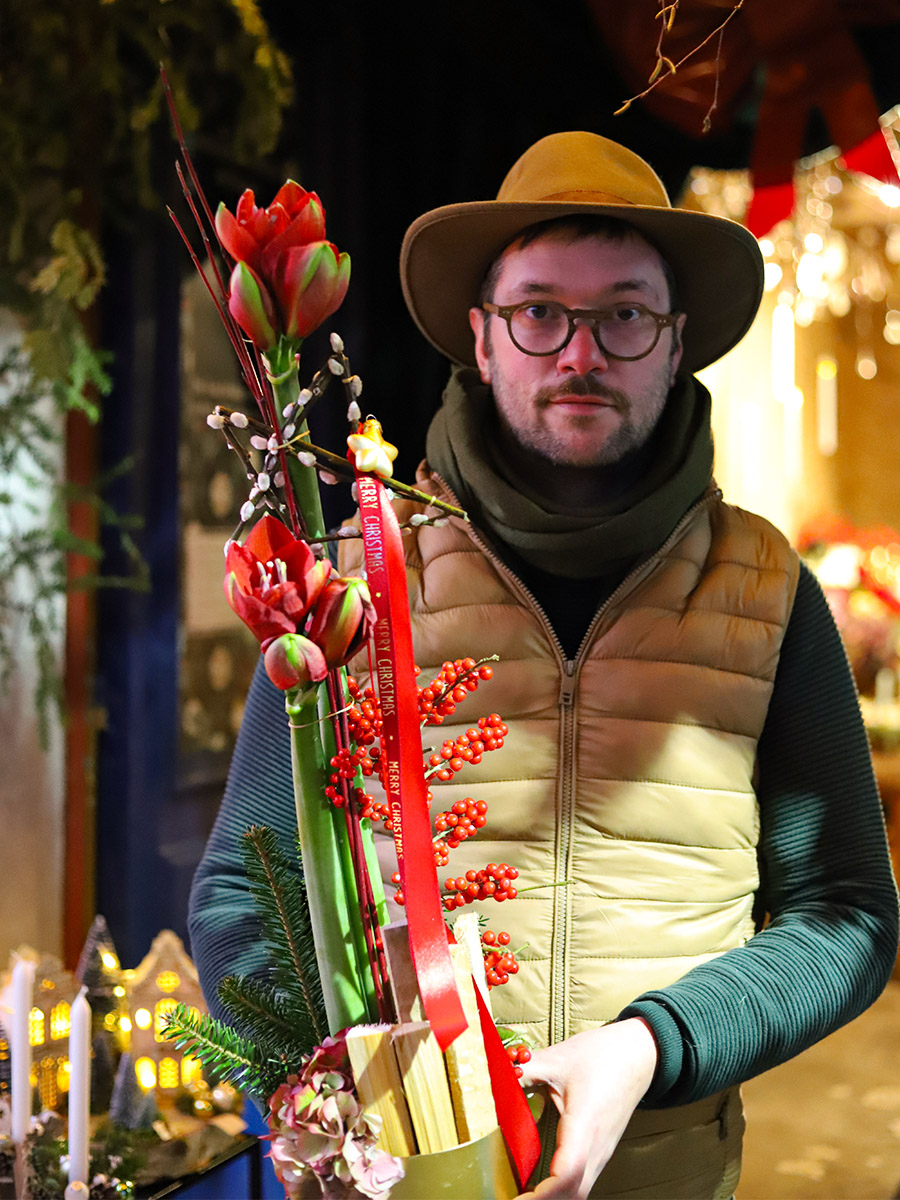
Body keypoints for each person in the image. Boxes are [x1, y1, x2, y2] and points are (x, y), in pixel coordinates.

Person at [189, 131, 899, 1199]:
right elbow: (251, 886)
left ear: (675, 341)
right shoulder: (341, 582)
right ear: (480, 338)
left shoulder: (766, 591)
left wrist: (651, 1047)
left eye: (623, 315)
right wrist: (353, 1103)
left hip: (667, 1170)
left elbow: (845, 914)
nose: (579, 353)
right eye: (538, 312)